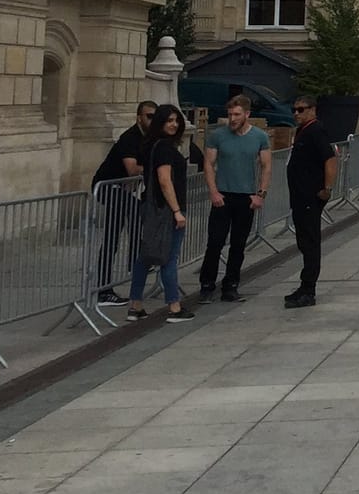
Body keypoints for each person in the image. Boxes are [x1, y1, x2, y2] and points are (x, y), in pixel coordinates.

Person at [198, 95, 272, 303]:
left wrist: (260, 194)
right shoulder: (218, 136)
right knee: (215, 241)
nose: (232, 119)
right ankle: (207, 283)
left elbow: (267, 166)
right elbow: (208, 164)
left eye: (237, 114)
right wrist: (213, 191)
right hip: (223, 194)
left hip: (246, 196)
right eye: (230, 114)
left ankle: (231, 285)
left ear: (247, 114)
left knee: (238, 244)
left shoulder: (259, 136)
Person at [128, 104, 193, 323]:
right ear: (160, 123)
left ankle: (135, 304)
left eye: (176, 120)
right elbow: (165, 181)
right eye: (169, 121)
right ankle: (174, 307)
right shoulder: (164, 148)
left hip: (151, 206)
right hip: (165, 209)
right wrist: (177, 211)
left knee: (146, 255)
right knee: (169, 256)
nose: (174, 124)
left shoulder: (150, 145)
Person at [91, 100, 154, 304]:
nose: (152, 120)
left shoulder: (149, 139)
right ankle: (104, 289)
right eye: (149, 116)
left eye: (155, 116)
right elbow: (132, 170)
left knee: (135, 217)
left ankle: (135, 260)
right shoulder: (130, 138)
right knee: (113, 235)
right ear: (139, 118)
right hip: (108, 186)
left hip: (124, 189)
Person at [285, 95, 339, 308]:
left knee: (310, 241)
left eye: (301, 109)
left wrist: (327, 188)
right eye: (294, 109)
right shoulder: (303, 131)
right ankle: (304, 284)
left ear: (313, 110)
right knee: (303, 241)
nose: (296, 113)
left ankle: (309, 288)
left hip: (310, 195)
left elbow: (330, 158)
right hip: (299, 196)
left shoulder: (316, 130)